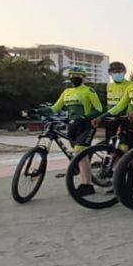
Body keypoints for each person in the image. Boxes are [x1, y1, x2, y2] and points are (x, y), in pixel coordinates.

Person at [44, 67, 102, 195]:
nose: (75, 77)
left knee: (80, 153)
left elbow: (98, 109)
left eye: (78, 75)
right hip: (72, 126)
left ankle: (87, 185)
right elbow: (56, 107)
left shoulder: (88, 90)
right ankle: (85, 180)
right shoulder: (66, 92)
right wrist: (41, 111)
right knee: (80, 155)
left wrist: (86, 117)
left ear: (83, 77)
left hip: (86, 125)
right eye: (72, 75)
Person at [104, 61, 132, 144]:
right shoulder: (109, 85)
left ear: (124, 72)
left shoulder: (131, 85)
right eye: (114, 72)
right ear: (110, 73)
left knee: (124, 144)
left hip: (125, 119)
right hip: (111, 119)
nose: (117, 73)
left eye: (119, 71)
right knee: (110, 143)